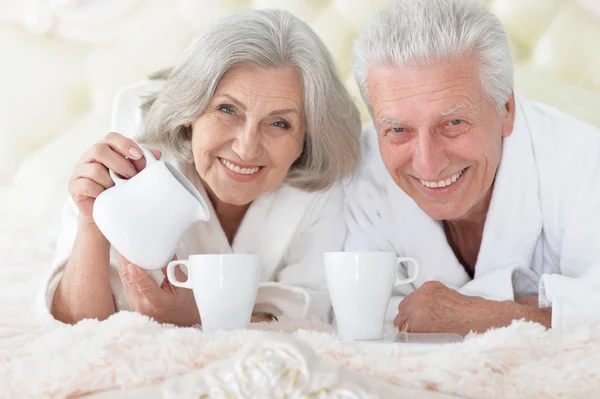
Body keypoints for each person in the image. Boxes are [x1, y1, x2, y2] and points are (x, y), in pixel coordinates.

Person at [36, 9, 361, 326]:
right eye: (227, 109)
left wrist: (197, 317)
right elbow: (74, 325)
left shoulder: (324, 188)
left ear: (308, 135)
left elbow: (314, 317)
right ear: (190, 110)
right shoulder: (133, 162)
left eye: (279, 122)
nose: (246, 147)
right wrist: (92, 223)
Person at [344, 0, 600, 335]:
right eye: (397, 130)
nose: (428, 164)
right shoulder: (358, 171)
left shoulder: (581, 161)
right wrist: (543, 307)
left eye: (453, 122)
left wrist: (480, 314)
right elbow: (351, 311)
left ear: (505, 110)